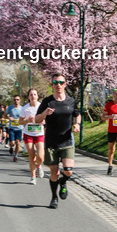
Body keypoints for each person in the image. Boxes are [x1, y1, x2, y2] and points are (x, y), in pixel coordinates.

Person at [35, 73, 80, 209]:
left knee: (68, 171)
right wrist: (44, 114)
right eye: (55, 82)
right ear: (52, 85)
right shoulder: (47, 101)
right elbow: (37, 119)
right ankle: (54, 197)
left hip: (66, 141)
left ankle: (63, 182)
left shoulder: (71, 101)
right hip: (51, 142)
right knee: (54, 172)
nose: (58, 85)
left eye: (61, 82)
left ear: (65, 84)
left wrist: (77, 124)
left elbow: (77, 115)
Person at [20, 87, 45, 184]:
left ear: (37, 96)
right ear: (28, 97)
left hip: (39, 134)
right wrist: (27, 121)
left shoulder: (41, 106)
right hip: (28, 134)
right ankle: (33, 177)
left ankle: (39, 166)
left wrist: (42, 122)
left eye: (35, 94)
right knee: (32, 156)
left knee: (40, 157)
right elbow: (20, 121)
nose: (33, 96)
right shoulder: (25, 108)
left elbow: (45, 119)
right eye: (31, 94)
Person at [6, 94, 23, 161]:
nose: (16, 101)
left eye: (17, 99)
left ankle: (15, 156)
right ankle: (11, 147)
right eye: (15, 99)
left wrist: (22, 120)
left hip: (19, 128)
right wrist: (8, 117)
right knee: (12, 143)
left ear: (20, 100)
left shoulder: (22, 108)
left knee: (18, 143)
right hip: (11, 128)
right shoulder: (10, 107)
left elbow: (24, 117)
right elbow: (5, 115)